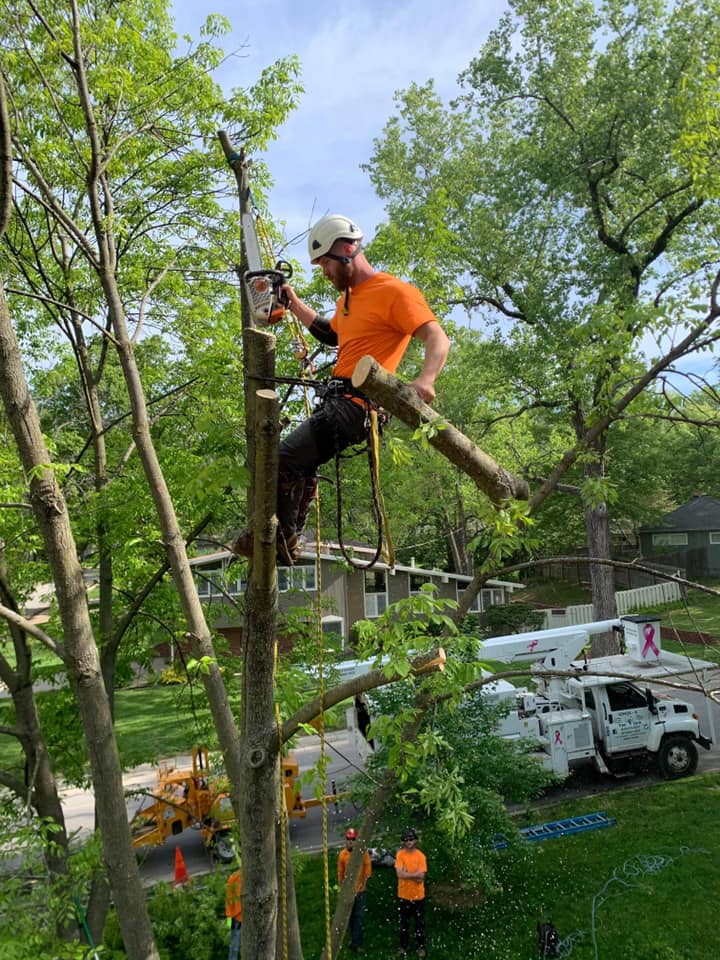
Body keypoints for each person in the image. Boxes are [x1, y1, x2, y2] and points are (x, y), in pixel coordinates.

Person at [231, 213, 450, 565]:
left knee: (283, 458)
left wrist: (426, 379)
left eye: (326, 263)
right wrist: (293, 302)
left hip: (359, 406)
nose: (325, 272)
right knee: (298, 465)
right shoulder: (347, 300)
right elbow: (332, 334)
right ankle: (288, 537)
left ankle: (282, 538)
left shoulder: (394, 291)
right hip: (337, 401)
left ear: (348, 249)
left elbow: (436, 335)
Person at [337, 827, 372, 953]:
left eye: (353, 839)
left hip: (359, 891)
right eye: (348, 839)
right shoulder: (342, 855)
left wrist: (364, 885)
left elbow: (367, 871)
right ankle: (353, 939)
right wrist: (341, 889)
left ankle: (357, 943)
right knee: (350, 917)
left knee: (358, 917)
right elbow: (340, 873)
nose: (350, 842)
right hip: (348, 891)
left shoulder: (363, 853)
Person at [395, 827, 427, 958]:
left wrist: (406, 874)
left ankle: (421, 947)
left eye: (411, 839)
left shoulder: (421, 856)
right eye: (406, 840)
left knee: (419, 924)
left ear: (415, 841)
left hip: (418, 896)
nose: (408, 842)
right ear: (404, 841)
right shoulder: (400, 855)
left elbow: (422, 877)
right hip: (403, 895)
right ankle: (403, 946)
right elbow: (399, 874)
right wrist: (414, 875)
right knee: (404, 924)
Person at [225, 866, 242, 960]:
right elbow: (228, 900)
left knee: (236, 947)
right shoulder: (234, 878)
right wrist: (229, 920)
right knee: (234, 947)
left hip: (247, 919)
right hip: (237, 919)